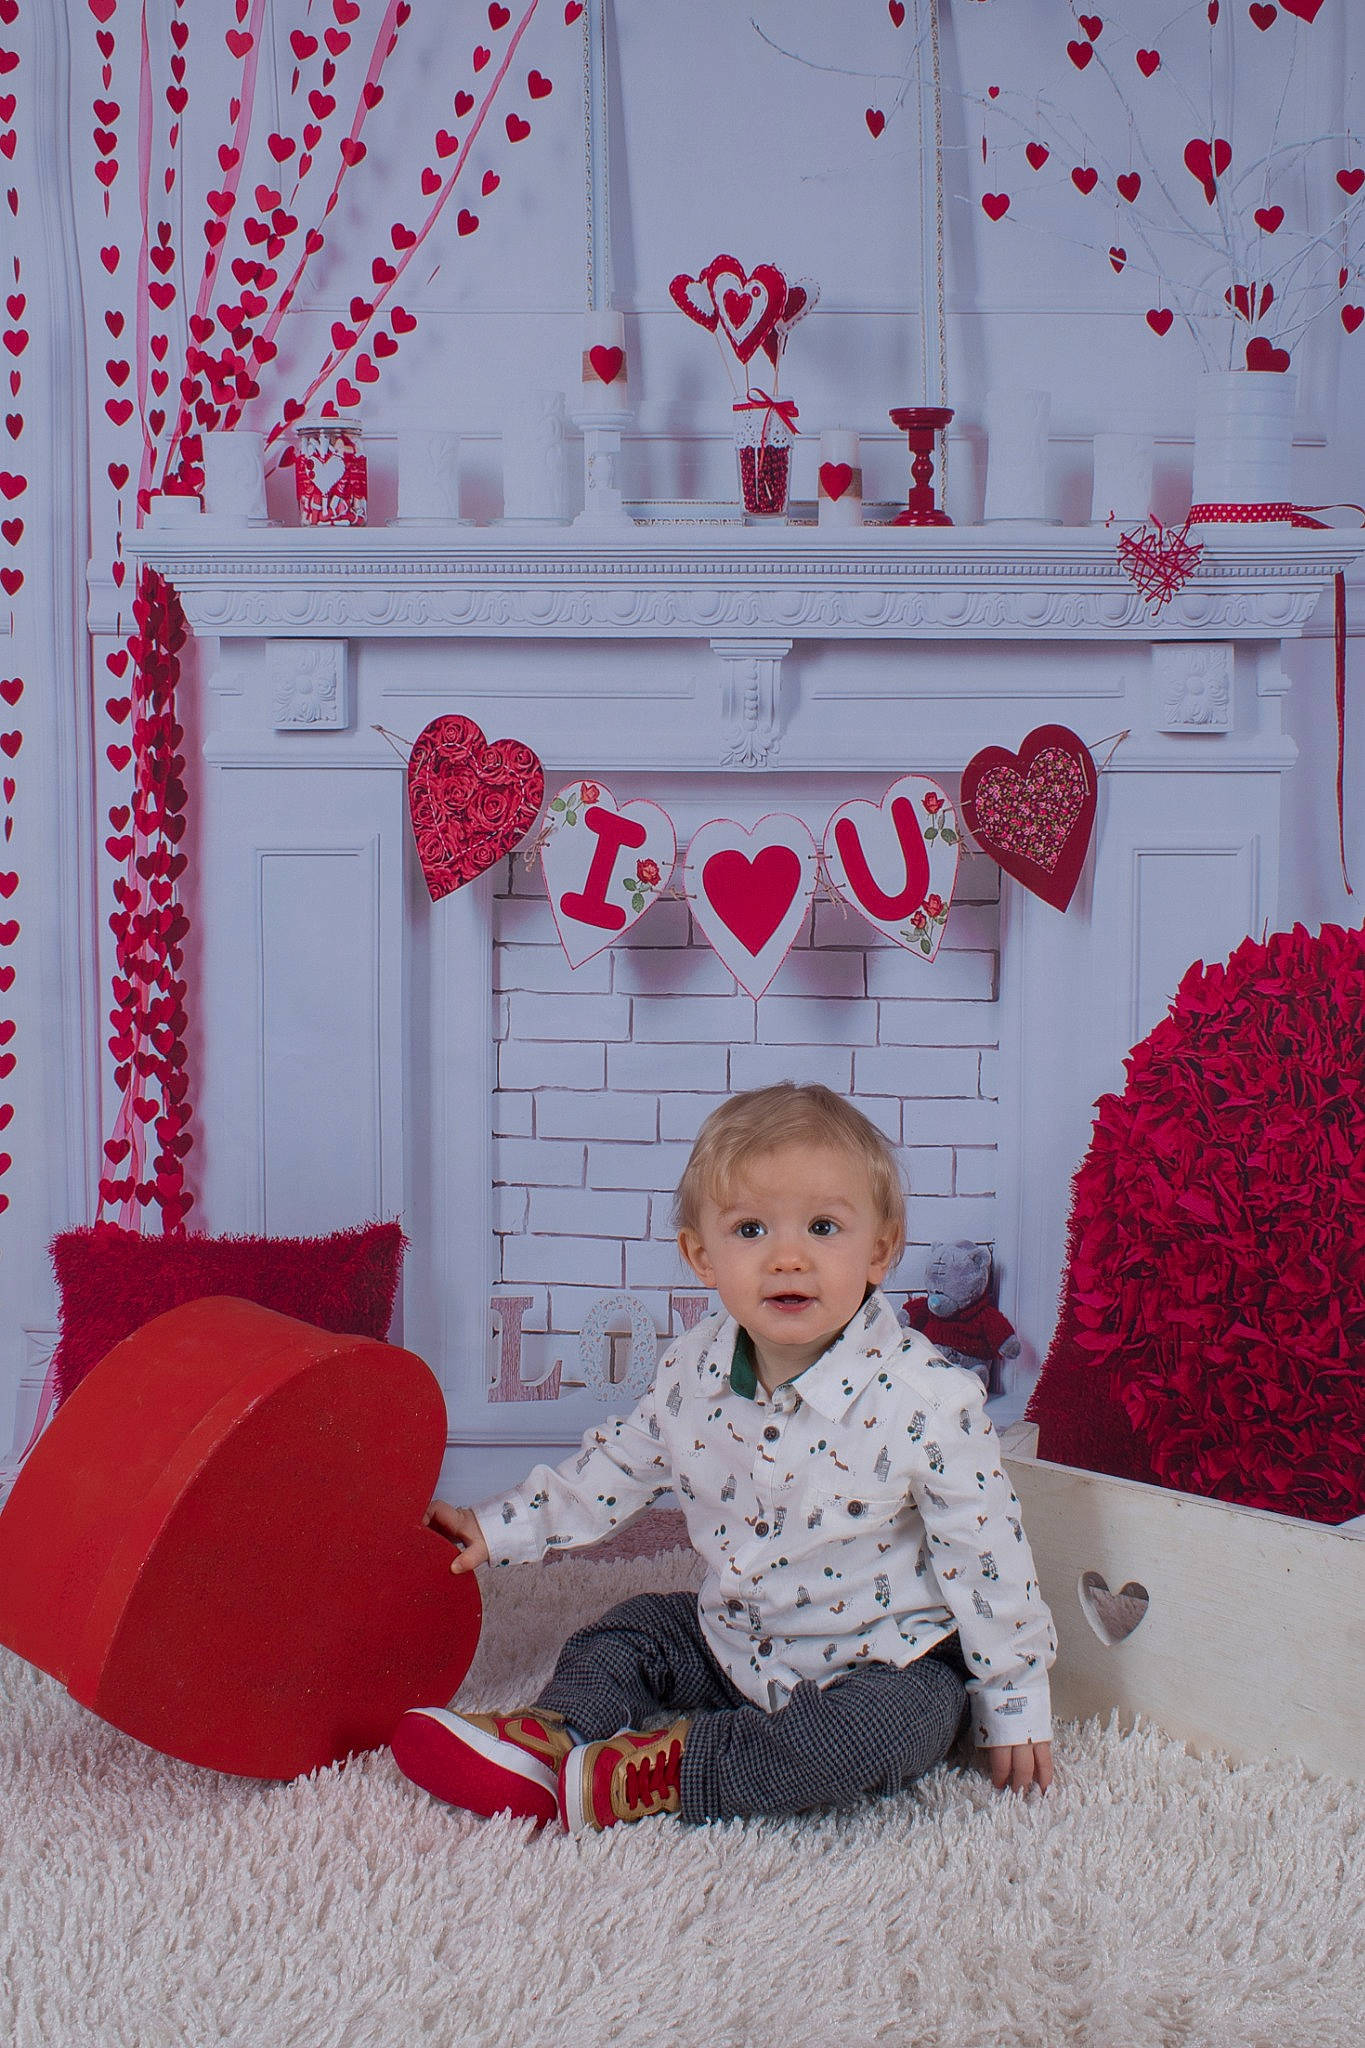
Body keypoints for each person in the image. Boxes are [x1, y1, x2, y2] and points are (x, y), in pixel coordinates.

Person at [391, 1083, 1056, 1836]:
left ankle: (665, 1769)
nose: (788, 1258)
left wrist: (1013, 1695)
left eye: (823, 1227)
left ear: (880, 1249)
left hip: (883, 1661)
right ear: (701, 1256)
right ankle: (555, 1732)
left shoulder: (926, 1399)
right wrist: (500, 1527)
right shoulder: (692, 1371)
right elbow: (616, 1469)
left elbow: (985, 1552)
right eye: (750, 1229)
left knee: (885, 1733)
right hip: (734, 1640)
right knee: (630, 1629)